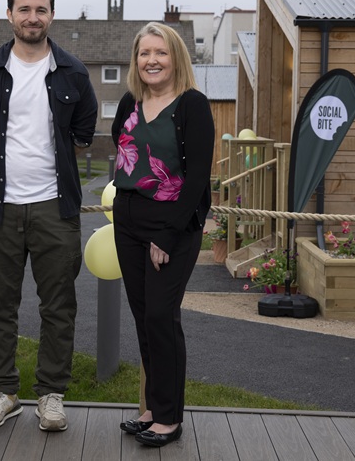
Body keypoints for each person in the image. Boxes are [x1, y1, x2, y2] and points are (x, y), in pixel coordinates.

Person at [0, 0, 98, 432]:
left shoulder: (74, 73)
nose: (33, 17)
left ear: (52, 15)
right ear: (9, 14)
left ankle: (51, 396)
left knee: (57, 306)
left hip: (53, 207)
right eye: (24, 9)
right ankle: (3, 392)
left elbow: (82, 134)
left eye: (41, 9)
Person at [111, 22, 214, 447]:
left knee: (160, 317)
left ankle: (170, 418)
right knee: (143, 318)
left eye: (161, 53)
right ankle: (154, 407)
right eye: (144, 53)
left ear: (176, 58)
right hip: (128, 219)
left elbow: (197, 182)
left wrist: (168, 235)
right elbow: (122, 157)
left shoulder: (193, 104)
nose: (151, 60)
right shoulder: (128, 101)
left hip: (172, 224)